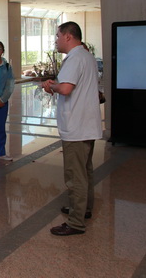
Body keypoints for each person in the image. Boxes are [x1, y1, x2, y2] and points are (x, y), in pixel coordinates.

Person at [42, 21, 101, 236]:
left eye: (57, 36)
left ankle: (76, 222)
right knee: (85, 171)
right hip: (86, 124)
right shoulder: (86, 56)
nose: (56, 41)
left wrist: (51, 86)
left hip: (77, 126)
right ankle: (83, 209)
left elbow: (66, 88)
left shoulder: (75, 58)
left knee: (75, 175)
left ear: (68, 36)